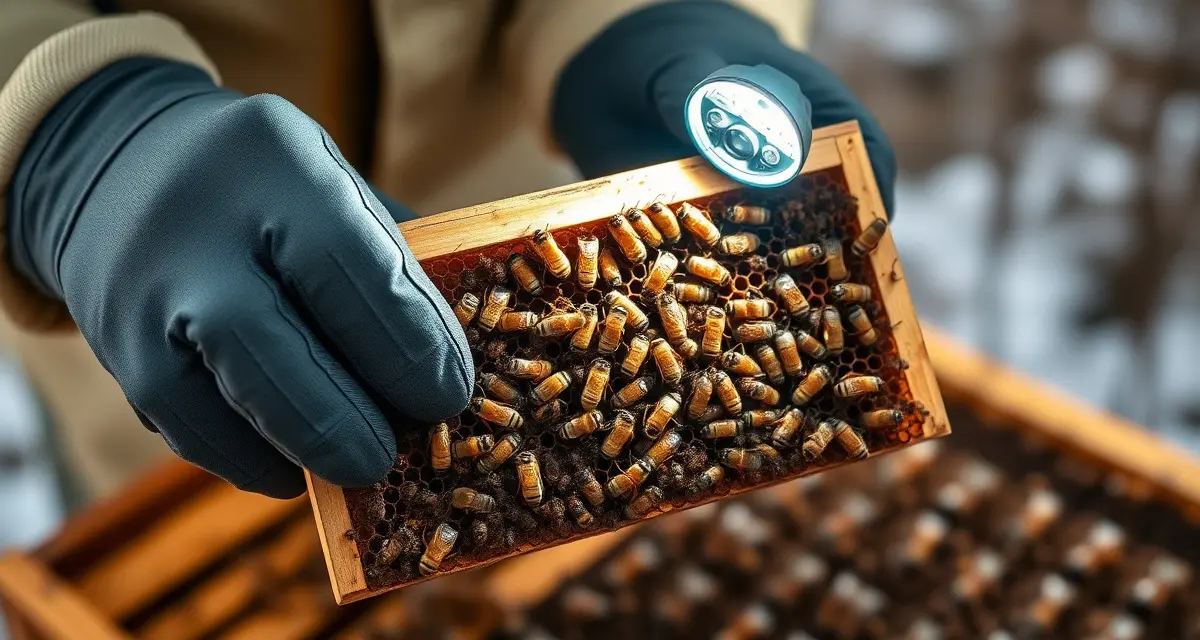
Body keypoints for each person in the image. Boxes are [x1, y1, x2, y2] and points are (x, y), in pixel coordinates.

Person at [0, 0, 895, 501]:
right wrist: (62, 124)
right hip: (144, 266)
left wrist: (643, 15)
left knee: (550, 485)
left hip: (526, 227)